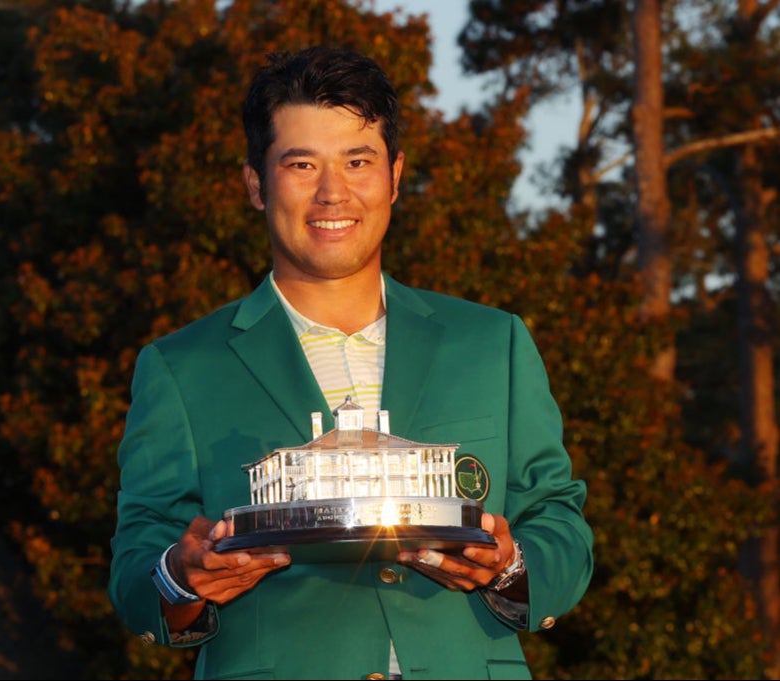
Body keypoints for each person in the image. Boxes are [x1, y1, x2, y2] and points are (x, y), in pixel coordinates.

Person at [108, 45, 593, 680]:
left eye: (357, 161)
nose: (332, 193)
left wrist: (512, 566)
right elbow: (137, 566)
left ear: (393, 176)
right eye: (301, 163)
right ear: (256, 183)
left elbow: (560, 522)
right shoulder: (180, 367)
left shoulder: (492, 343)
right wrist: (179, 578)